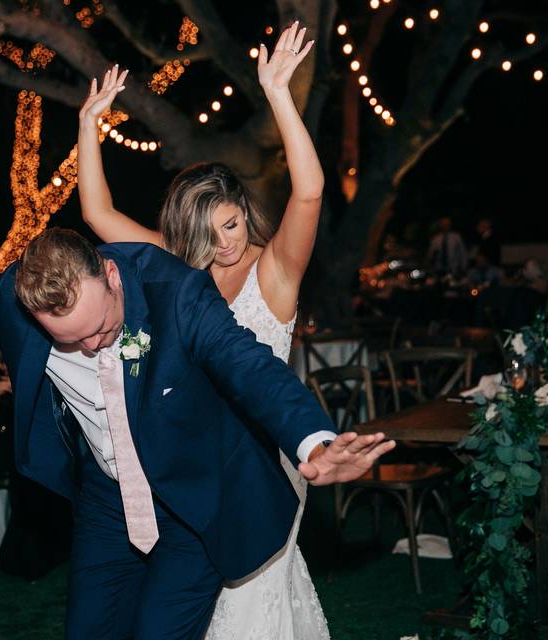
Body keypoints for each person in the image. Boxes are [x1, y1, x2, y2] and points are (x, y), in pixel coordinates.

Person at [0, 228, 394, 640]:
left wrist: (313, 441)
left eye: (100, 330)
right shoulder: (16, 307)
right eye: (70, 341)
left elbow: (250, 367)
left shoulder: (176, 294)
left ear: (110, 276)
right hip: (109, 500)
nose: (90, 346)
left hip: (197, 498)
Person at [76, 23, 329, 638]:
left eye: (233, 224)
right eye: (210, 231)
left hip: (265, 460)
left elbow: (311, 189)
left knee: (248, 605)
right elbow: (98, 215)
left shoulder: (275, 272)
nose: (225, 243)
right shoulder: (177, 269)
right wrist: (89, 125)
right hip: (193, 461)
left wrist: (278, 94)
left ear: (246, 214)